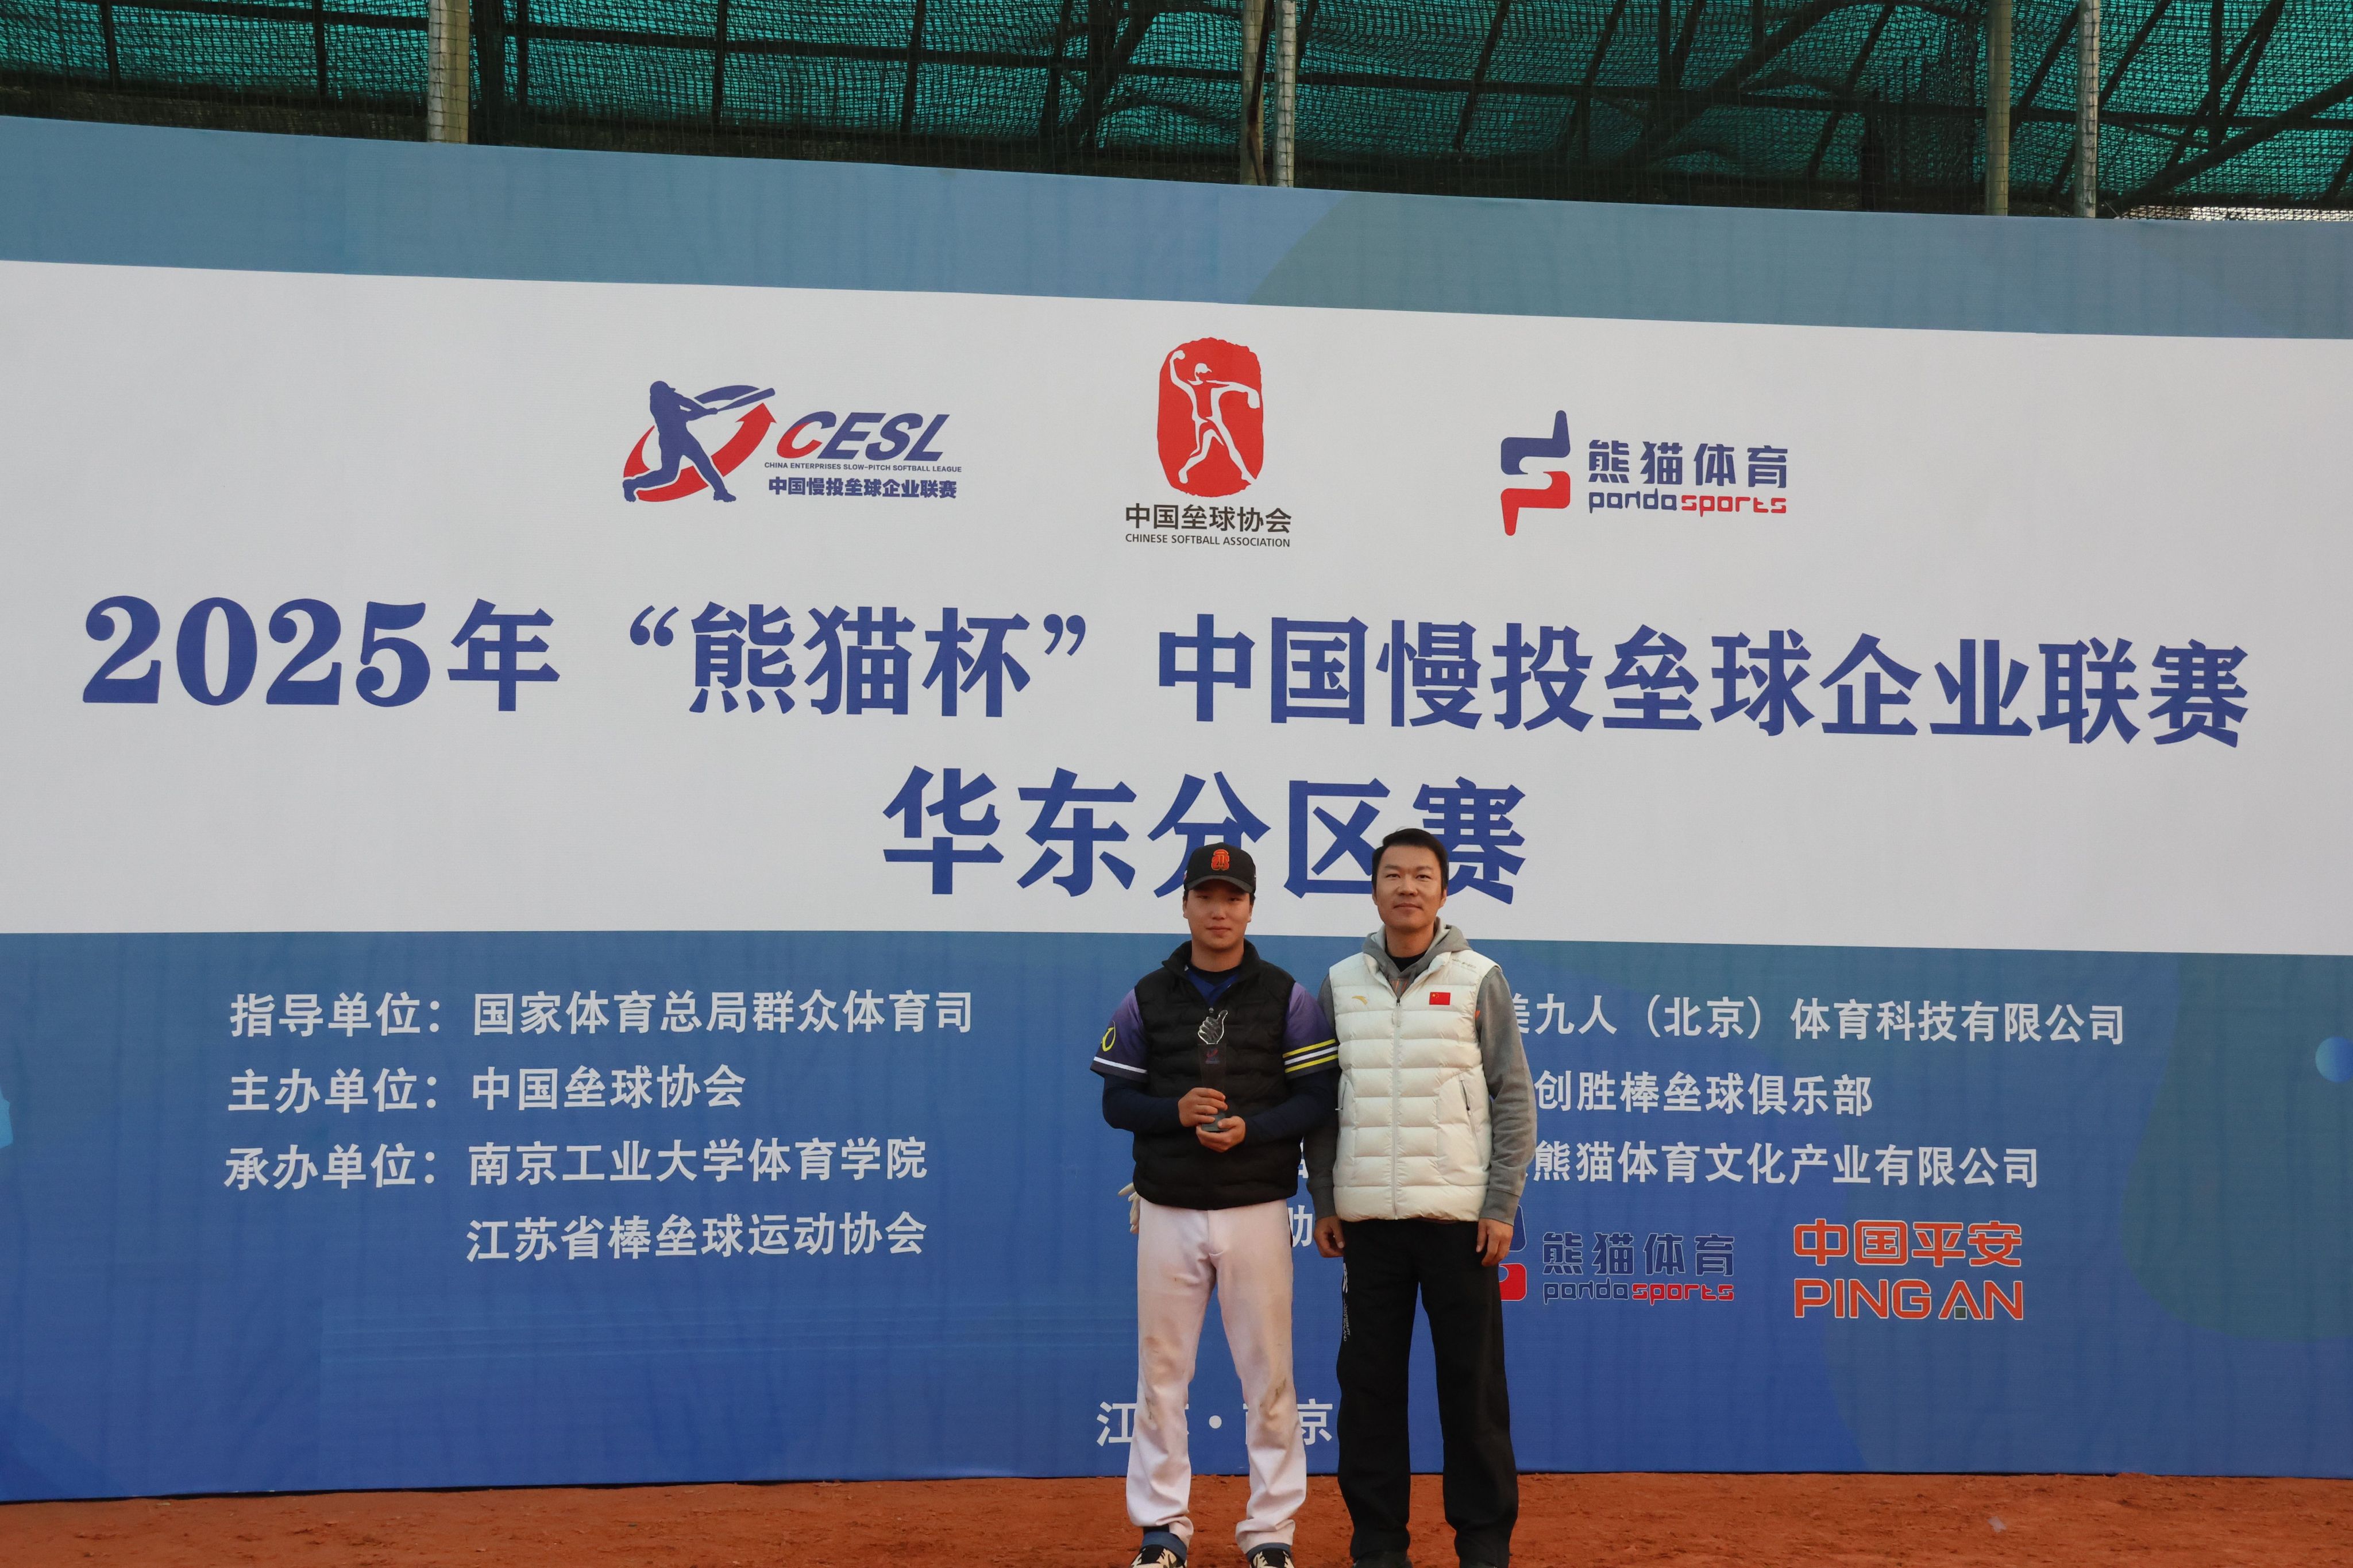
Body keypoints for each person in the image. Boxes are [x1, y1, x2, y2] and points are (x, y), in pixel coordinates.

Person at [1094, 842, 1338, 1568]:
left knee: (1269, 1376)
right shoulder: (1146, 996)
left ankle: (1271, 1532)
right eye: (1206, 896)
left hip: (1255, 1207)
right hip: (1168, 1207)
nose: (1219, 910)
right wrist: (1175, 1113)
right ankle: (1162, 1528)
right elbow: (1116, 1102)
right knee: (1162, 1373)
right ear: (1185, 905)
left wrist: (1251, 1130)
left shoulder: (1287, 997)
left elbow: (1317, 1098)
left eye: (1233, 897)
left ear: (1251, 907)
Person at [1306, 828, 1536, 1568]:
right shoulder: (1340, 983)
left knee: (1472, 1390)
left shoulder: (1479, 978)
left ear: (1442, 890)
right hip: (1368, 1223)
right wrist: (1325, 1197)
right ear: (1374, 889)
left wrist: (1499, 1205)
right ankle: (1377, 1545)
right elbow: (1320, 1103)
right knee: (1368, 1390)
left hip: (1459, 1223)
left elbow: (1512, 1098)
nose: (1407, 888)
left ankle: (1484, 1545)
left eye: (1422, 876)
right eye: (1393, 875)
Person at [623, 380, 750, 501]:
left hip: (685, 438)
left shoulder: (670, 396)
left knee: (705, 464)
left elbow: (687, 402)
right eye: (666, 393)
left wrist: (703, 410)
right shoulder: (657, 407)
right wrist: (705, 413)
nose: (670, 395)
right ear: (659, 396)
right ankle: (631, 484)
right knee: (668, 476)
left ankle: (721, 492)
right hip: (670, 443)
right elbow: (683, 416)